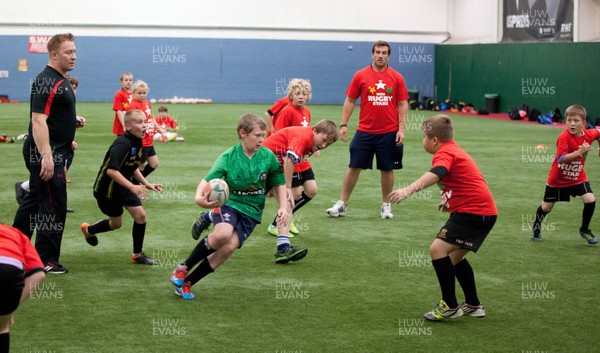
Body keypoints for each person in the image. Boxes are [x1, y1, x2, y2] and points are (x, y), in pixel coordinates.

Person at [169, 114, 290, 300]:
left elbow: (279, 183)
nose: (261, 139)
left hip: (252, 211)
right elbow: (207, 180)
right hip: (230, 204)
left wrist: (282, 206)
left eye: (262, 135)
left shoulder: (268, 157)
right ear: (243, 133)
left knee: (228, 248)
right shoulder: (228, 157)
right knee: (222, 235)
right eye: (257, 135)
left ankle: (188, 283)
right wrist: (198, 198)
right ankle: (182, 268)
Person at [389, 114, 497, 321]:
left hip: (473, 212)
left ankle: (450, 305)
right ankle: (473, 305)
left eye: (423, 137)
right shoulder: (454, 149)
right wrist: (451, 199)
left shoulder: (444, 153)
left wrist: (408, 190)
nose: (423, 141)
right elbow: (469, 179)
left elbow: (438, 172)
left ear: (434, 140)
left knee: (437, 249)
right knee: (453, 259)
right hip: (485, 213)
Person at [191, 120, 338, 264]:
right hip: (263, 165)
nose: (324, 145)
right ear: (315, 131)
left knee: (289, 200)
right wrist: (286, 187)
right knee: (282, 199)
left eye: (328, 144)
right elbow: (289, 160)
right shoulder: (302, 136)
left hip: (273, 169)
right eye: (323, 140)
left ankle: (208, 216)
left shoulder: (311, 140)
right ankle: (282, 247)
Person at [12, 33, 78, 274]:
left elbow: (51, 116)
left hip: (50, 150)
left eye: (74, 51)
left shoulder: (58, 79)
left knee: (33, 202)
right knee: (53, 206)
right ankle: (46, 260)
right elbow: (38, 121)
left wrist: (71, 121)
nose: (74, 56)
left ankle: (12, 248)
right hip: (48, 153)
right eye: (68, 52)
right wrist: (47, 157)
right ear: (53, 54)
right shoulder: (48, 80)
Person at [326, 40, 409, 219]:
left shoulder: (397, 77)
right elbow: (350, 100)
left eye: (384, 53)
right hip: (365, 131)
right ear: (372, 54)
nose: (380, 56)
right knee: (353, 166)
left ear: (388, 55)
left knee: (387, 169)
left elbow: (402, 104)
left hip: (389, 132)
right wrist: (343, 124)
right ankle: (342, 204)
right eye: (377, 52)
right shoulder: (360, 75)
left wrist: (401, 129)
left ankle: (386, 205)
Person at [79, 110, 164, 265]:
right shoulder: (122, 144)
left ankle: (137, 255)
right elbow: (111, 171)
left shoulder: (138, 141)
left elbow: (132, 166)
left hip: (123, 186)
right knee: (116, 224)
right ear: (128, 126)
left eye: (144, 121)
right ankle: (89, 230)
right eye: (139, 122)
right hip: (107, 191)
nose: (144, 125)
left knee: (141, 216)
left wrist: (146, 184)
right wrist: (132, 187)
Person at [14, 75, 85, 212]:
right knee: (49, 183)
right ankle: (26, 188)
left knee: (39, 192)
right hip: (50, 148)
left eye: (75, 89)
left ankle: (39, 202)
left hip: (62, 147)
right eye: (71, 88)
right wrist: (47, 155)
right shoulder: (48, 87)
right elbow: (44, 123)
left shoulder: (67, 100)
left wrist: (74, 123)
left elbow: (61, 122)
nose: (73, 91)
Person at [530, 104, 599, 244]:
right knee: (547, 207)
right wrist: (579, 152)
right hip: (558, 180)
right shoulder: (564, 137)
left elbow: (599, 132)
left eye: (576, 121)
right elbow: (561, 158)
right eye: (569, 120)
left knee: (590, 200)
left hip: (577, 177)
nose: (572, 124)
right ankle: (536, 227)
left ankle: (584, 230)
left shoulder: (589, 134)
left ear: (584, 124)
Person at [267, 78, 313, 236]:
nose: (301, 96)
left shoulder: (306, 111)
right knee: (294, 194)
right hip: (290, 157)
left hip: (302, 158)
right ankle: (278, 223)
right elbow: (280, 135)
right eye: (297, 93)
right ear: (291, 96)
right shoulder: (287, 111)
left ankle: (287, 217)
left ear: (309, 96)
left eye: (304, 93)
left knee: (311, 190)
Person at [0, 223, 46, 353]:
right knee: (1, 327)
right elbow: (39, 274)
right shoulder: (15, 233)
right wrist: (10, 307)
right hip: (9, 270)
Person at [127, 80, 167, 182]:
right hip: (141, 142)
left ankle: (134, 183)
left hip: (149, 140)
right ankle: (135, 188)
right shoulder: (133, 106)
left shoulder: (146, 103)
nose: (142, 95)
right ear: (133, 92)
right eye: (139, 93)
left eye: (144, 93)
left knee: (154, 164)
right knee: (140, 167)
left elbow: (151, 119)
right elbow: (131, 124)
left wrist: (162, 131)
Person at [112, 72, 133, 136]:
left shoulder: (134, 93)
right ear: (121, 82)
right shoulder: (119, 94)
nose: (128, 82)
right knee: (124, 144)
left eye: (130, 80)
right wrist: (124, 125)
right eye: (126, 80)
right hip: (122, 126)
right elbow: (118, 111)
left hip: (132, 123)